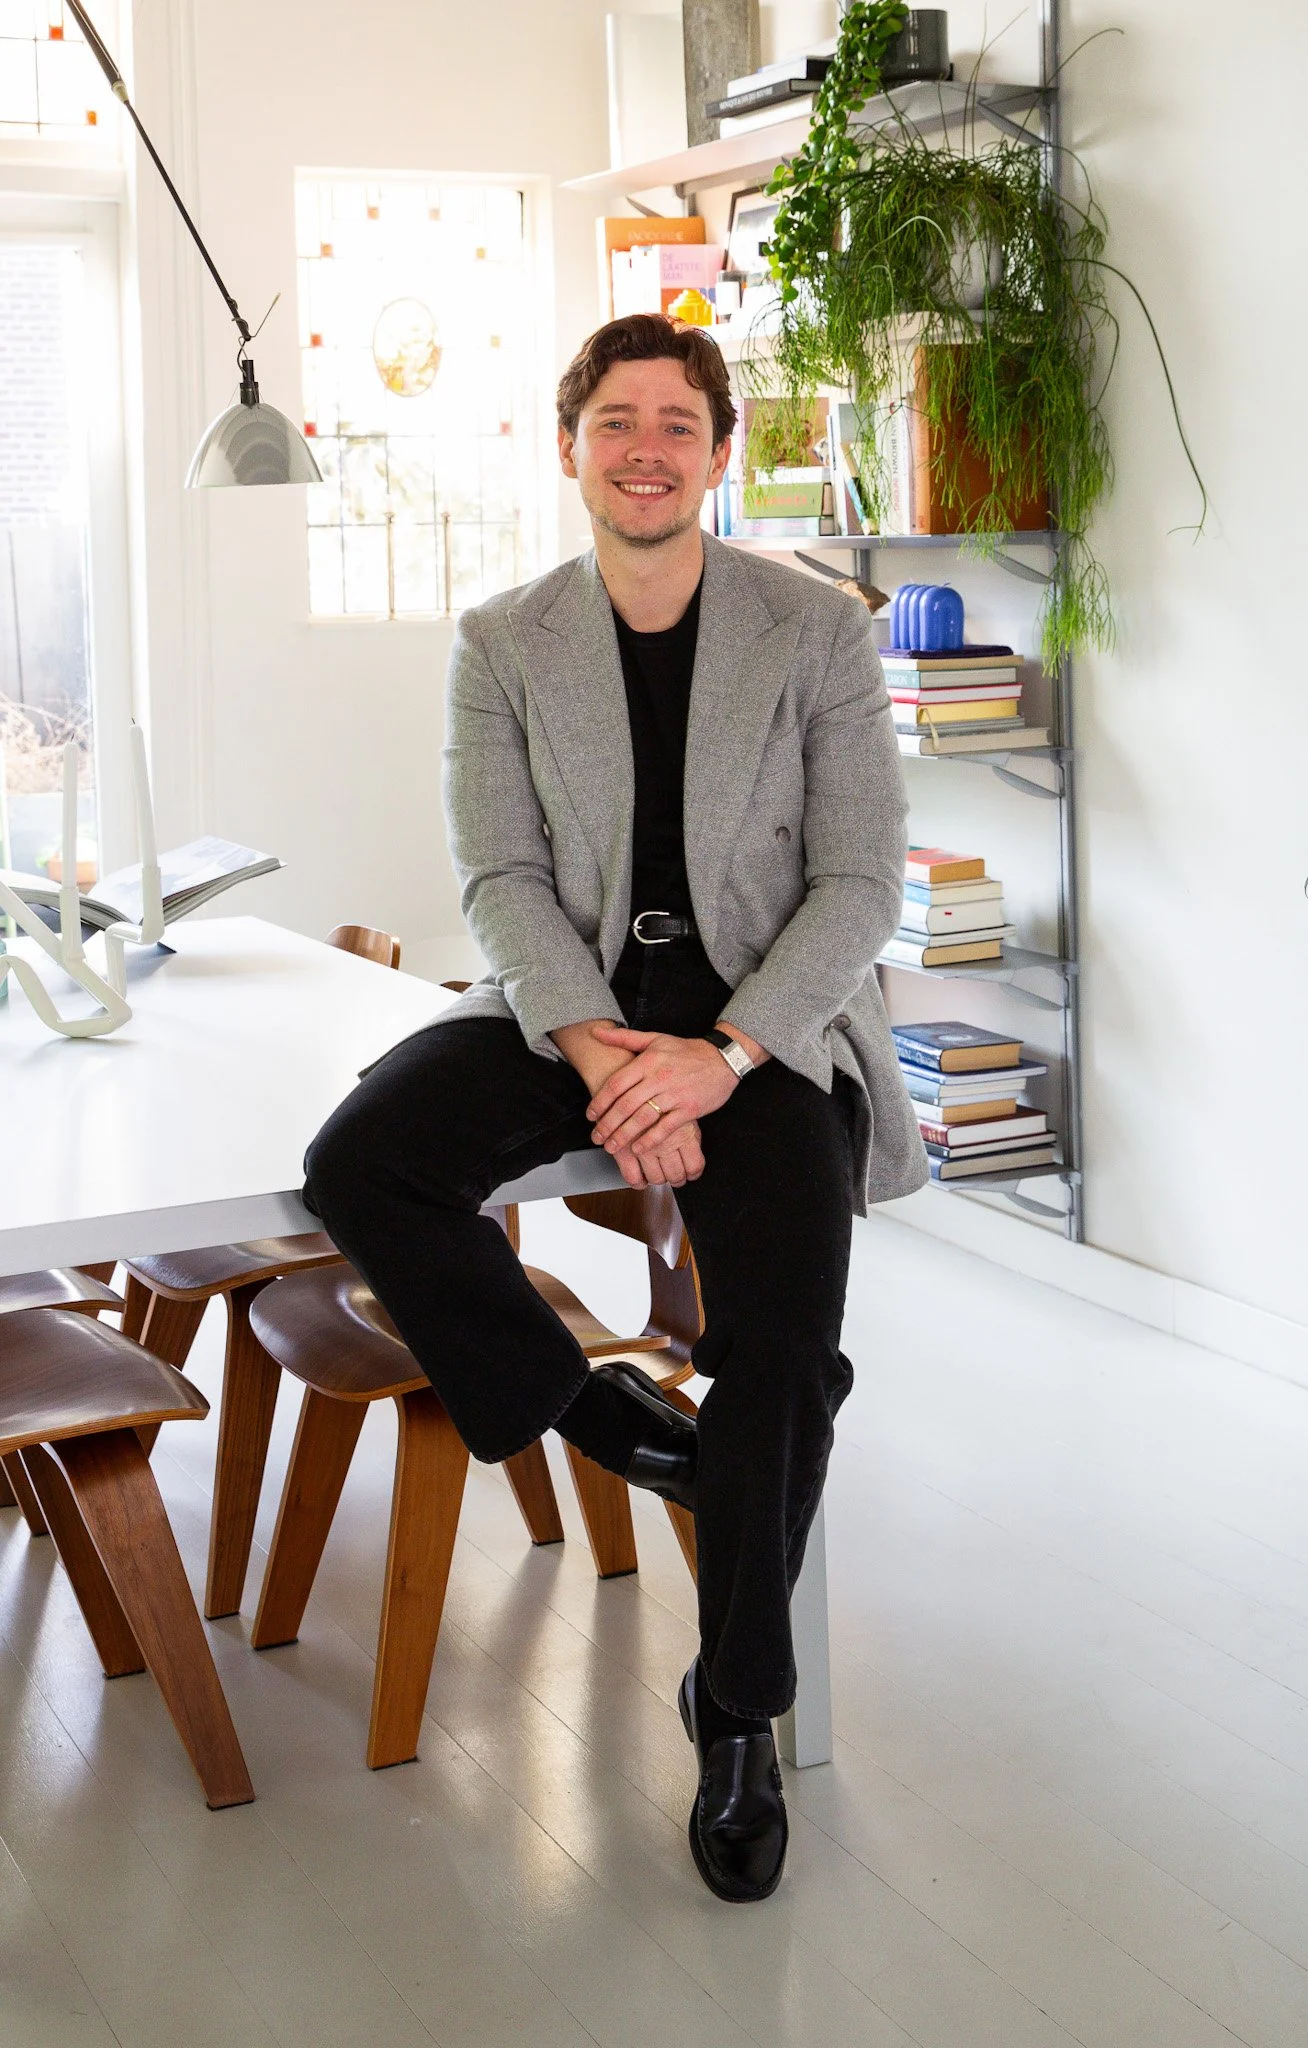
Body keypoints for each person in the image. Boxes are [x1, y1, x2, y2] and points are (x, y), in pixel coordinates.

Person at [303, 312, 927, 1903]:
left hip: (767, 1028)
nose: (645, 448)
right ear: (569, 442)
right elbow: (499, 879)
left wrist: (718, 1057)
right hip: (562, 1011)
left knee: (784, 1353)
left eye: (677, 423)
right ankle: (609, 1420)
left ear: (719, 455)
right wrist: (599, 1055)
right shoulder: (505, 637)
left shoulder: (819, 630)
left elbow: (860, 883)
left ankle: (737, 1715)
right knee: (362, 1161)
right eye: (614, 420)